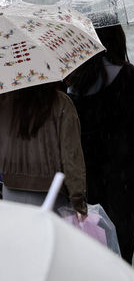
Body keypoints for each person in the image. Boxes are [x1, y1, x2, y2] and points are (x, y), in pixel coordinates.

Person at [65, 24, 134, 264]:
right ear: (119, 40)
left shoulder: (73, 83)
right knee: (122, 243)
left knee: (91, 240)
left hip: (86, 174)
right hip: (124, 175)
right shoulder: (133, 76)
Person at [0, 83, 87, 217]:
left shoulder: (6, 102)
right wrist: (78, 198)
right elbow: (71, 155)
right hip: (51, 194)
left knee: (17, 236)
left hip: (11, 193)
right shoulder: (61, 103)